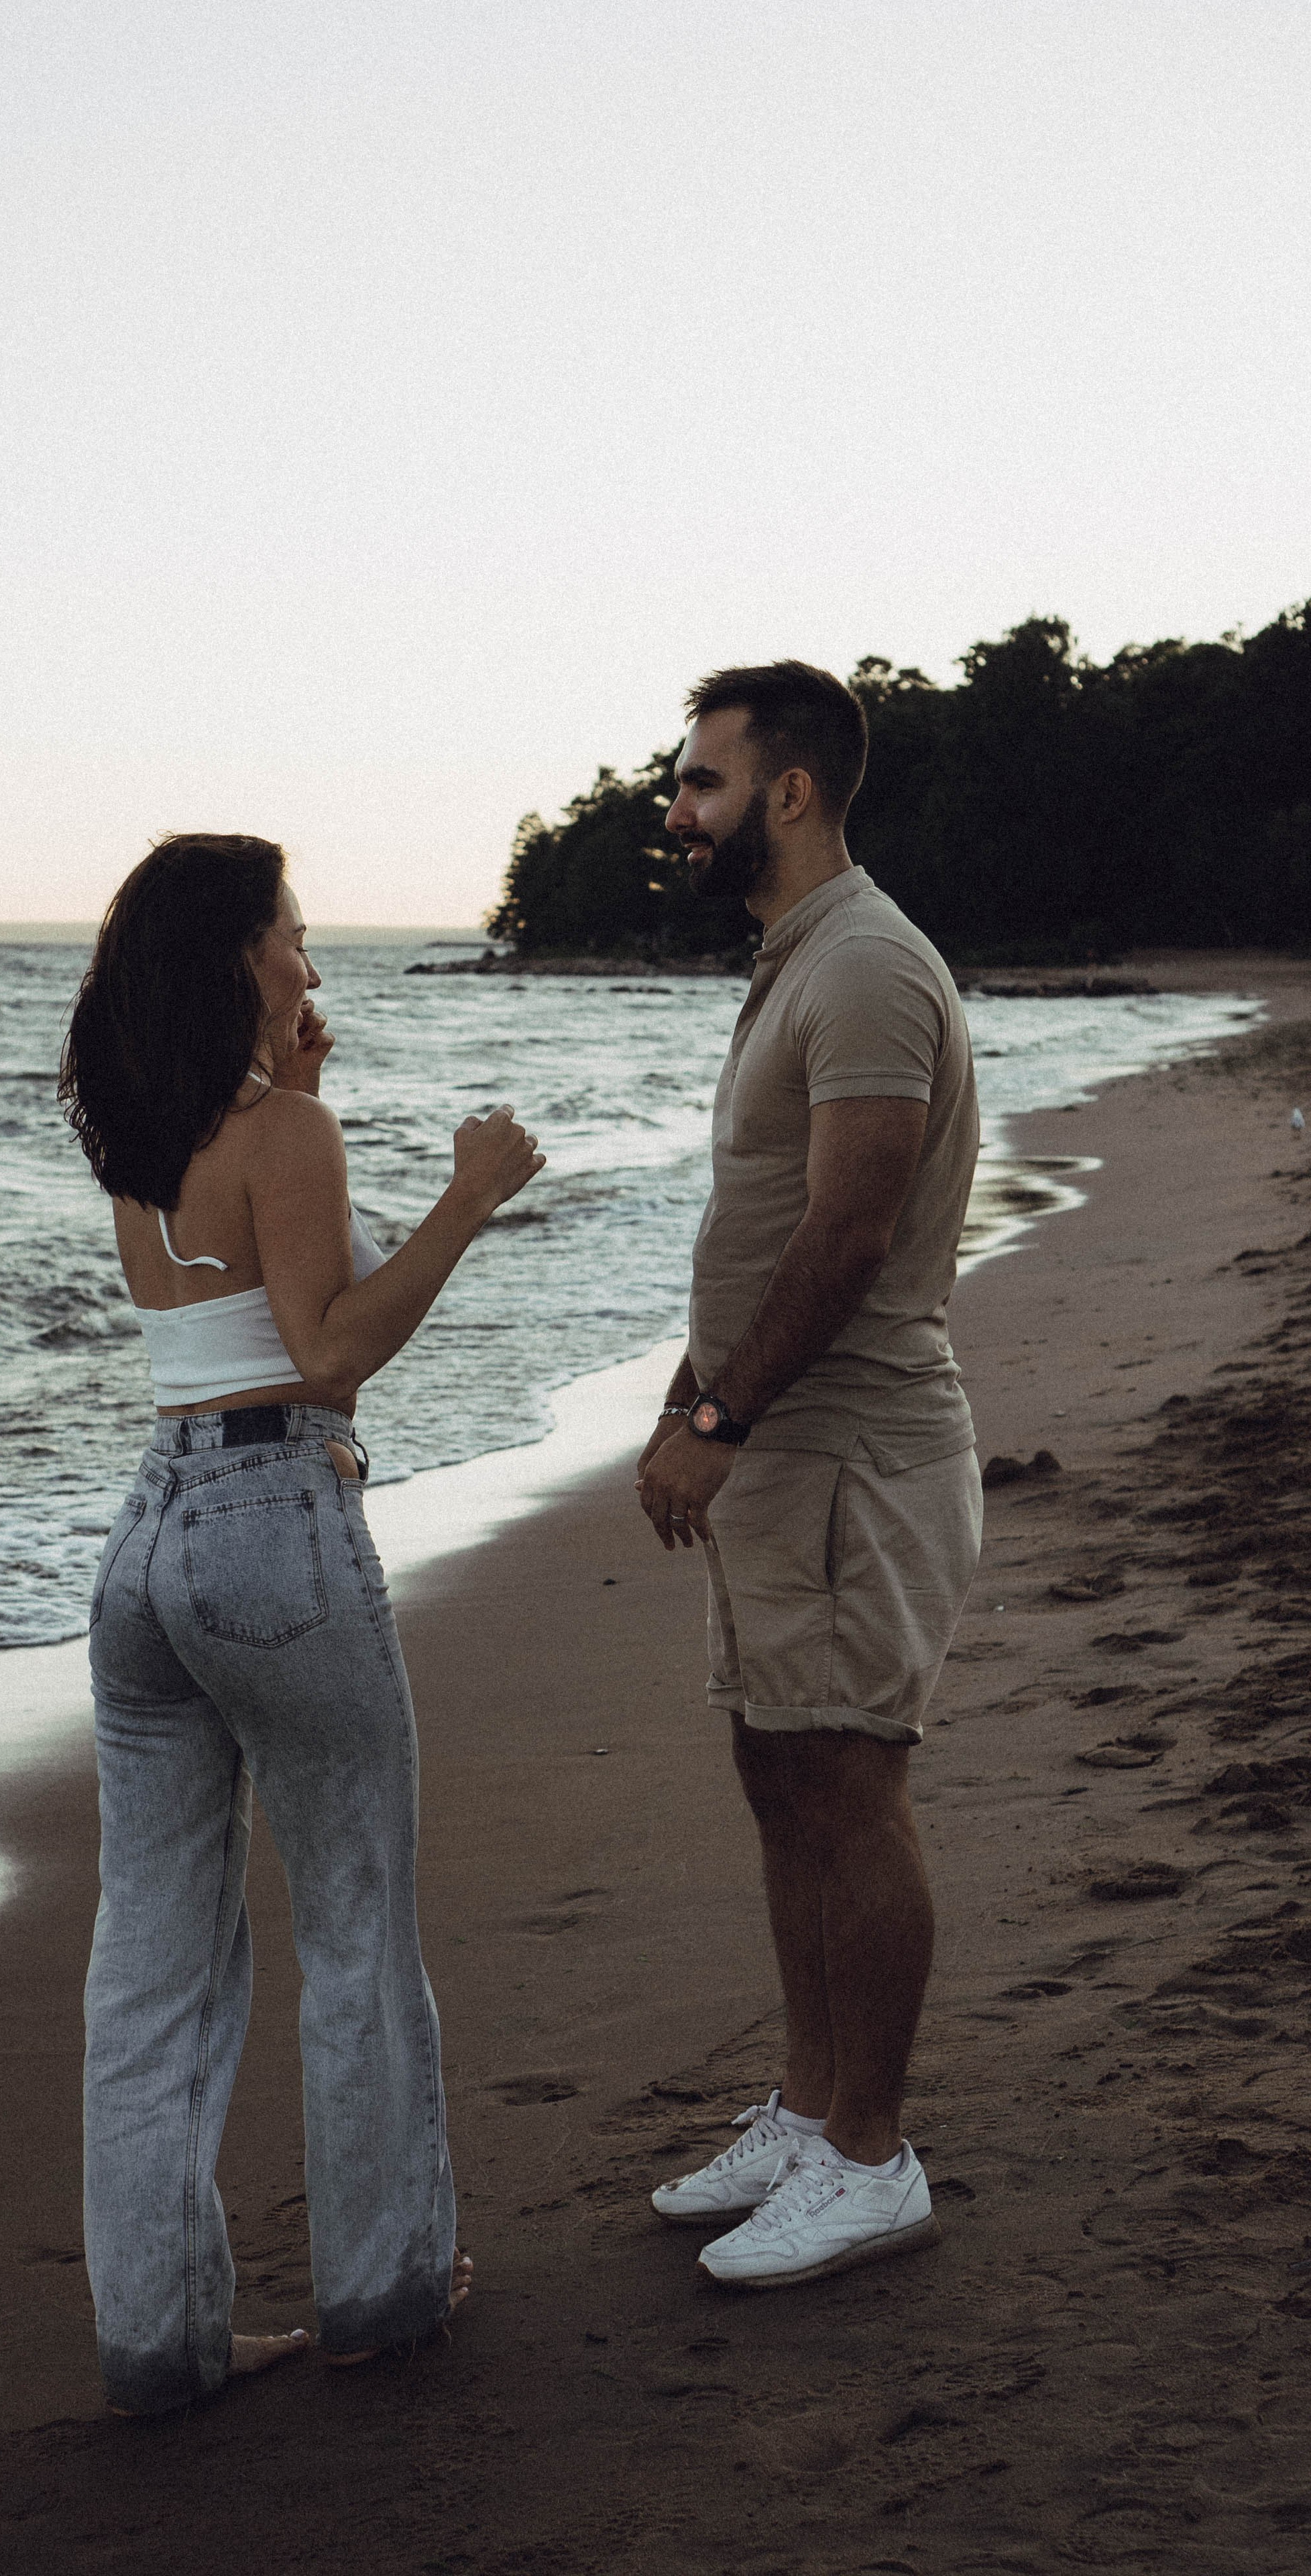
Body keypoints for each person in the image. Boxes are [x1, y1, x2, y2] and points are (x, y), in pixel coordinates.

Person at [58, 833, 543, 2409]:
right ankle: (386, 2295)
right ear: (235, 956)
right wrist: (467, 1202)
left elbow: (248, 1305)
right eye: (297, 939)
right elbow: (328, 1353)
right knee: (351, 1926)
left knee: (150, 1972)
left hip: (144, 1548)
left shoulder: (141, 1128)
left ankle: (156, 2344)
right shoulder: (288, 1132)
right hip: (274, 1525)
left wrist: (300, 1082)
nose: (314, 965)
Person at [635, 663, 981, 2290]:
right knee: (781, 1777)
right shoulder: (797, 964)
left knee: (847, 1783)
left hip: (846, 1445)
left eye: (700, 782)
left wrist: (719, 1426)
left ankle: (869, 2156)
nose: (677, 808)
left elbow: (847, 1231)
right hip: (782, 1440)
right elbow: (760, 1229)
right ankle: (807, 2104)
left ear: (785, 791)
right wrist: (685, 1402)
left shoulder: (860, 969)